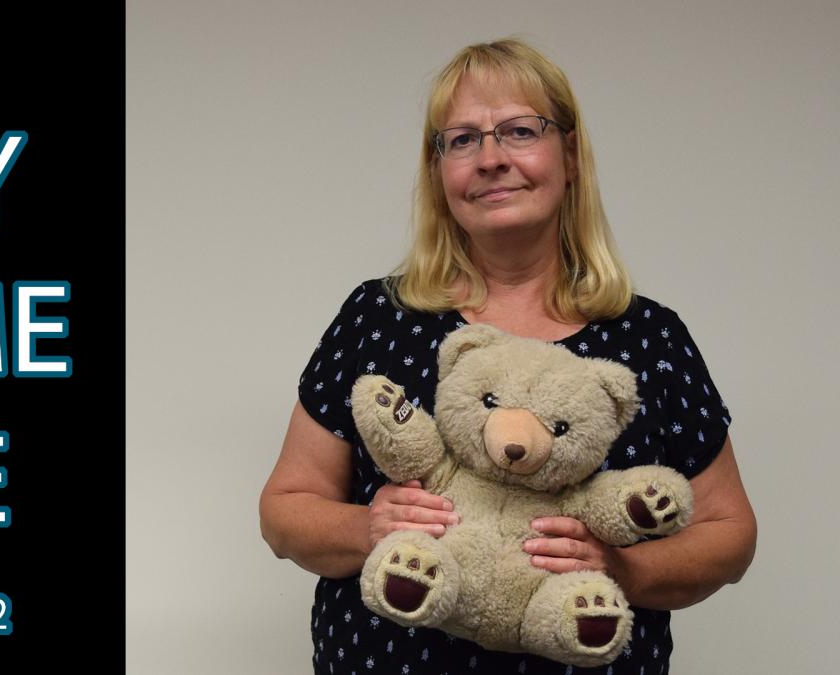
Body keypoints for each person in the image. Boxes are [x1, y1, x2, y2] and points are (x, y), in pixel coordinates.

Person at [258, 38, 757, 675]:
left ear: (570, 155)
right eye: (462, 140)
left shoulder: (647, 336)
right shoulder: (377, 316)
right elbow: (284, 511)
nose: (491, 159)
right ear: (438, 171)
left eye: (520, 130)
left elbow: (729, 534)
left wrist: (622, 567)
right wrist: (370, 526)